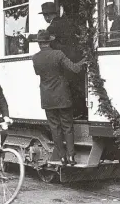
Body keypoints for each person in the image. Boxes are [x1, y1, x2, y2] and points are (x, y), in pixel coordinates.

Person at [32, 29, 86, 165]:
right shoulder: (58, 54)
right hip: (62, 95)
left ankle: (62, 157)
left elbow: (38, 73)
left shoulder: (36, 58)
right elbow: (75, 68)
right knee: (67, 126)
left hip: (47, 97)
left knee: (54, 127)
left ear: (39, 43)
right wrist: (85, 60)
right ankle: (71, 157)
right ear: (50, 42)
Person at [40, 2, 87, 120]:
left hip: (64, 60)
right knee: (77, 85)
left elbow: (51, 46)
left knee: (68, 87)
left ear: (47, 16)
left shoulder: (51, 28)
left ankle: (75, 113)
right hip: (77, 57)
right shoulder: (68, 22)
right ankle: (83, 111)